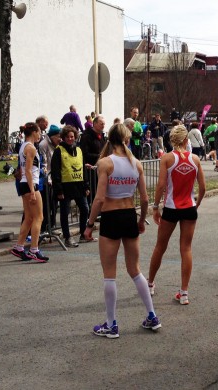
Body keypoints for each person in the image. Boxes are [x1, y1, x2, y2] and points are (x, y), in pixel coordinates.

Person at [82, 123, 160, 338]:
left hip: (111, 217)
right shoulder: (136, 163)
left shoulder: (105, 163)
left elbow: (98, 199)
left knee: (110, 274)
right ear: (126, 140)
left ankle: (111, 324)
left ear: (110, 138)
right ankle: (152, 315)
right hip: (128, 215)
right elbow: (144, 199)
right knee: (135, 270)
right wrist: (142, 220)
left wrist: (89, 225)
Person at [147, 125, 206, 305]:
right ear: (186, 140)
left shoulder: (167, 158)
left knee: (160, 247)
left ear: (172, 140)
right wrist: (197, 204)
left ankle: (149, 284)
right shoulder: (195, 159)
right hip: (189, 207)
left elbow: (161, 186)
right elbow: (202, 188)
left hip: (172, 208)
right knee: (186, 249)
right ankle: (184, 292)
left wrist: (155, 207)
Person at [9, 123, 48, 262]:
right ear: (33, 132)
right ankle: (34, 249)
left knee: (29, 218)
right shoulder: (30, 148)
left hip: (25, 184)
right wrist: (32, 190)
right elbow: (28, 170)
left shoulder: (24, 146)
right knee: (39, 217)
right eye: (39, 132)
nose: (40, 135)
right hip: (30, 184)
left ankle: (19, 247)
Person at [51, 126, 91, 248]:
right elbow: (55, 171)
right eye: (68, 137)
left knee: (85, 209)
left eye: (72, 136)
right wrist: (58, 189)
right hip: (65, 186)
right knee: (65, 212)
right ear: (63, 137)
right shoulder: (59, 151)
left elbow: (83, 169)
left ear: (75, 137)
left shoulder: (79, 150)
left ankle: (83, 234)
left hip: (79, 185)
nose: (70, 139)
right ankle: (67, 237)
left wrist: (86, 185)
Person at [38, 124, 61, 232]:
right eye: (58, 136)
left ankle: (51, 226)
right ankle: (45, 227)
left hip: (55, 177)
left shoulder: (57, 145)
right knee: (46, 205)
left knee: (54, 205)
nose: (60, 139)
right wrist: (48, 178)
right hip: (46, 179)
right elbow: (44, 163)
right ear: (52, 136)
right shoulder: (44, 145)